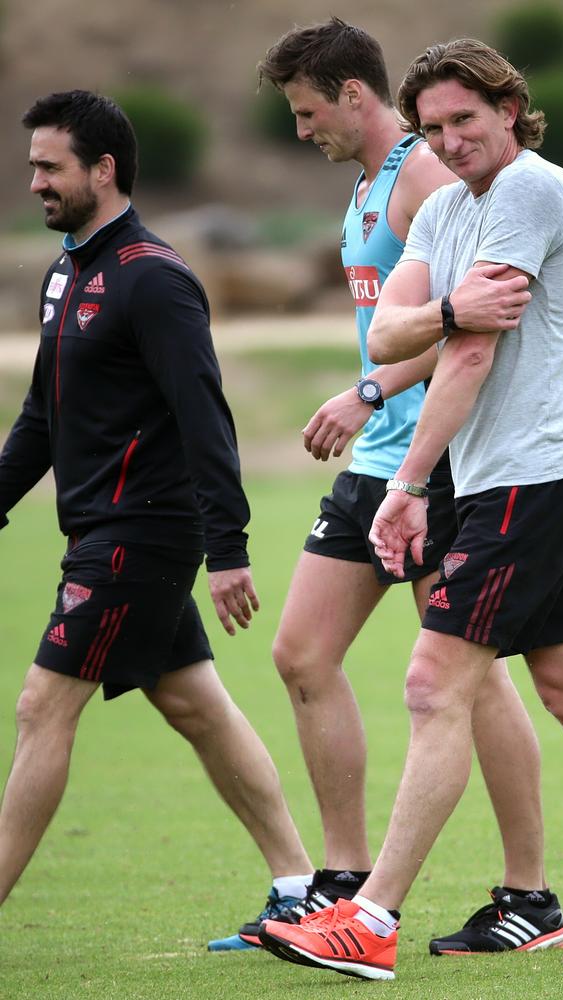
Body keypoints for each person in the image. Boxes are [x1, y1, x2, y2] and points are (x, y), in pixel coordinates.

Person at [258, 38, 563, 978]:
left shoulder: (530, 191)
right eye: (434, 126)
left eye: (465, 120)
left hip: (528, 478)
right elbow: (389, 329)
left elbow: (468, 353)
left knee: (435, 683)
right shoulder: (445, 204)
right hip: (485, 479)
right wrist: (438, 317)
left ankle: (372, 917)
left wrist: (403, 484)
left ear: (509, 109)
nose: (451, 140)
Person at [212, 19, 563, 957]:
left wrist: (371, 391)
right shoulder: (368, 188)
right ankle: (338, 881)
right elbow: (399, 322)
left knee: (467, 680)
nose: (301, 131)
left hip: (439, 465)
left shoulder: (427, 176)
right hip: (379, 464)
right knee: (302, 654)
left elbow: (469, 326)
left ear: (353, 95)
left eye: (307, 111)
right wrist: (371, 389)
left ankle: (529, 891)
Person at [0, 90, 316, 941]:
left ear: (103, 170)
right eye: (32, 165)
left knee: (41, 707)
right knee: (194, 704)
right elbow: (43, 415)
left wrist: (230, 550)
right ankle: (300, 888)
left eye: (49, 165)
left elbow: (204, 416)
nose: (34, 181)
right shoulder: (67, 270)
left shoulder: (156, 278)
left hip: (138, 534)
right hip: (106, 529)